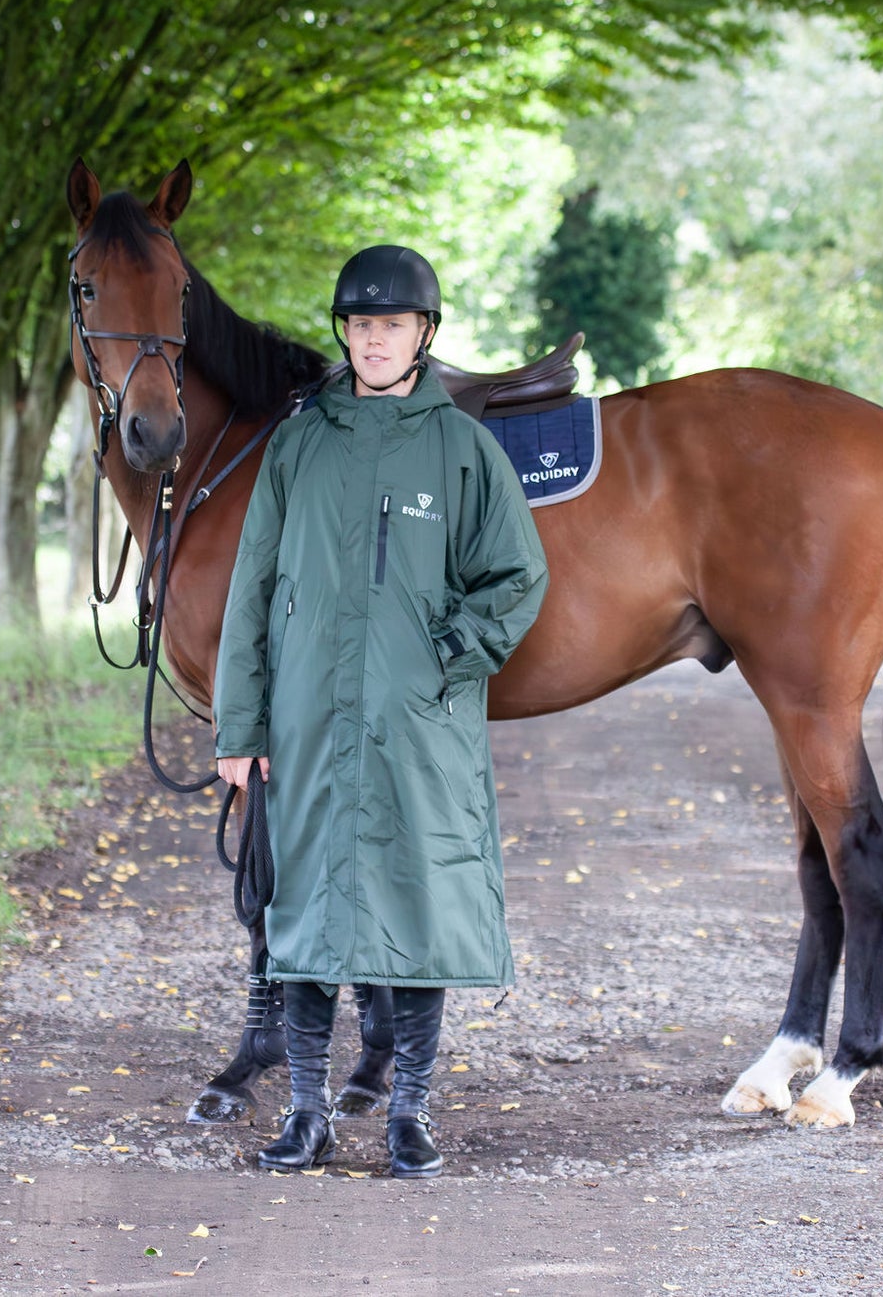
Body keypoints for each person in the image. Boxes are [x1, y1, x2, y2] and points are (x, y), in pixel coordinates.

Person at [212, 245, 549, 1178]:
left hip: (417, 727)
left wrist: (445, 655)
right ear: (345, 334)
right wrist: (240, 729)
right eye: (361, 325)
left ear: (423, 335)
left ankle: (411, 1112)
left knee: (419, 902)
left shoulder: (461, 449)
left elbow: (517, 577)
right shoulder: (297, 444)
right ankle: (309, 1112)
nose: (374, 339)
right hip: (308, 723)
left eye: (391, 325)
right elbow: (251, 587)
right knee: (308, 910)